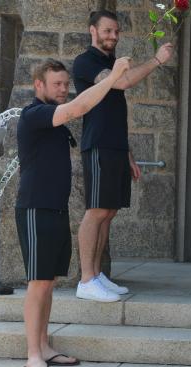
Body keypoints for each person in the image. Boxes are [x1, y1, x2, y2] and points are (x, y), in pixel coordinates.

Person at [15, 57, 130, 367]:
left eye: (66, 84)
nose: (64, 89)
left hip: (55, 210)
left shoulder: (53, 120)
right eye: (57, 84)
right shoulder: (35, 114)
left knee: (48, 283)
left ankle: (45, 346)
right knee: (37, 285)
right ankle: (33, 355)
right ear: (39, 85)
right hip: (35, 209)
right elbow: (79, 108)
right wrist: (114, 77)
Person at [73, 10, 174, 302]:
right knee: (96, 211)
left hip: (115, 147)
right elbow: (122, 82)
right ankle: (86, 279)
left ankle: (97, 275)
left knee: (110, 211)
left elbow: (114, 112)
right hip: (98, 146)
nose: (113, 36)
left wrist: (127, 153)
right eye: (107, 31)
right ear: (93, 30)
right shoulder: (86, 61)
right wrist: (156, 60)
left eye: (116, 32)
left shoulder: (108, 61)